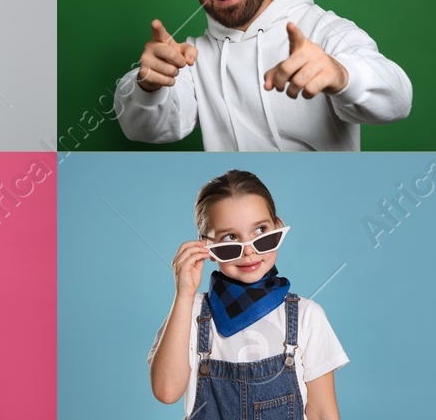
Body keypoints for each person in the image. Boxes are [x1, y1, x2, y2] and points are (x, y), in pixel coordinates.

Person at [113, 0, 413, 151]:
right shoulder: (189, 56)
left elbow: (397, 99)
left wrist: (342, 75)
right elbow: (147, 128)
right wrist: (148, 85)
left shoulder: (322, 28)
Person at [148, 170, 347, 419]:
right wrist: (184, 294)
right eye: (230, 238)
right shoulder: (191, 312)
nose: (249, 251)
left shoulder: (307, 316)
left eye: (260, 231)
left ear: (278, 226)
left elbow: (323, 412)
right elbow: (166, 392)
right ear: (206, 247)